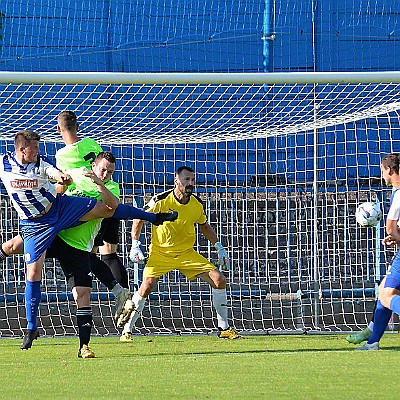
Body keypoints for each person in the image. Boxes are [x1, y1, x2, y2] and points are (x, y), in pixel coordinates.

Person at [0, 130, 178, 350]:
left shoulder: (45, 165)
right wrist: (63, 182)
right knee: (26, 264)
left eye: (109, 171)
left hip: (61, 213)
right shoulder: (5, 164)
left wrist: (62, 178)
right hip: (37, 225)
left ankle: (154, 218)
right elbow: (60, 182)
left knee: (103, 214)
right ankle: (31, 327)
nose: (38, 151)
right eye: (34, 148)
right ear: (21, 149)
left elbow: (54, 172)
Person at [119, 166, 241, 341]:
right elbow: (139, 219)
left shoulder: (196, 204)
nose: (190, 183)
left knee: (219, 279)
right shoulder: (160, 200)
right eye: (186, 180)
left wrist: (219, 246)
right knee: (147, 286)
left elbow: (204, 226)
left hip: (186, 254)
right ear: (176, 180)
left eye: (192, 180)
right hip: (161, 253)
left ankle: (224, 329)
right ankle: (127, 330)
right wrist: (135, 244)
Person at [357, 153, 400, 350]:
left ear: (390, 170)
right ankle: (373, 341)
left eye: (382, 171)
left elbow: (390, 228)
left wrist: (394, 236)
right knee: (384, 290)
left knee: (387, 296)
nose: (382, 175)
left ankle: (372, 339)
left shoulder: (398, 194)